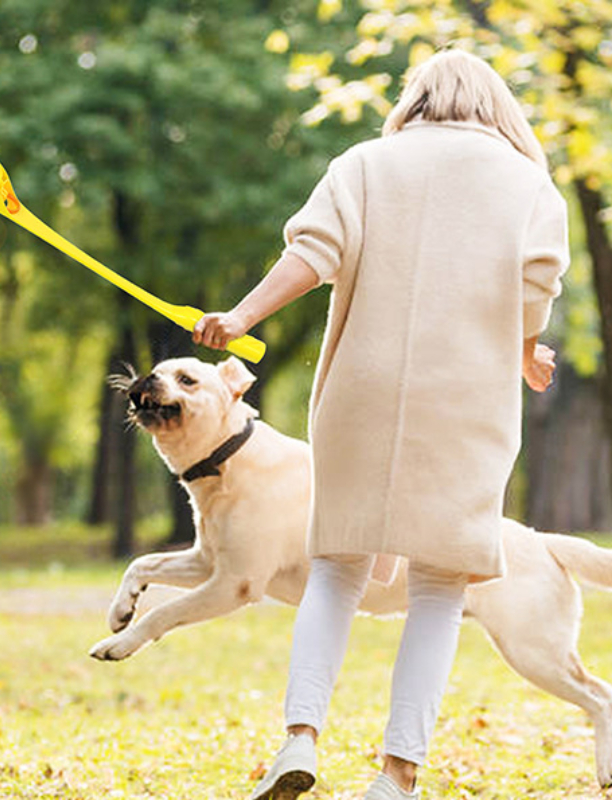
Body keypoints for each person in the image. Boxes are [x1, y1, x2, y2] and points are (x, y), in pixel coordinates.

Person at [192, 48, 569, 800]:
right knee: (438, 586)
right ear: (495, 104)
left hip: (362, 395)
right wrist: (524, 350)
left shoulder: (365, 162)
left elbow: (312, 253)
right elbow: (536, 285)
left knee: (336, 570)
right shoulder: (529, 184)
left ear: (418, 98)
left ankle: (299, 738)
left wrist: (241, 315)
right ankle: (396, 775)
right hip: (466, 402)